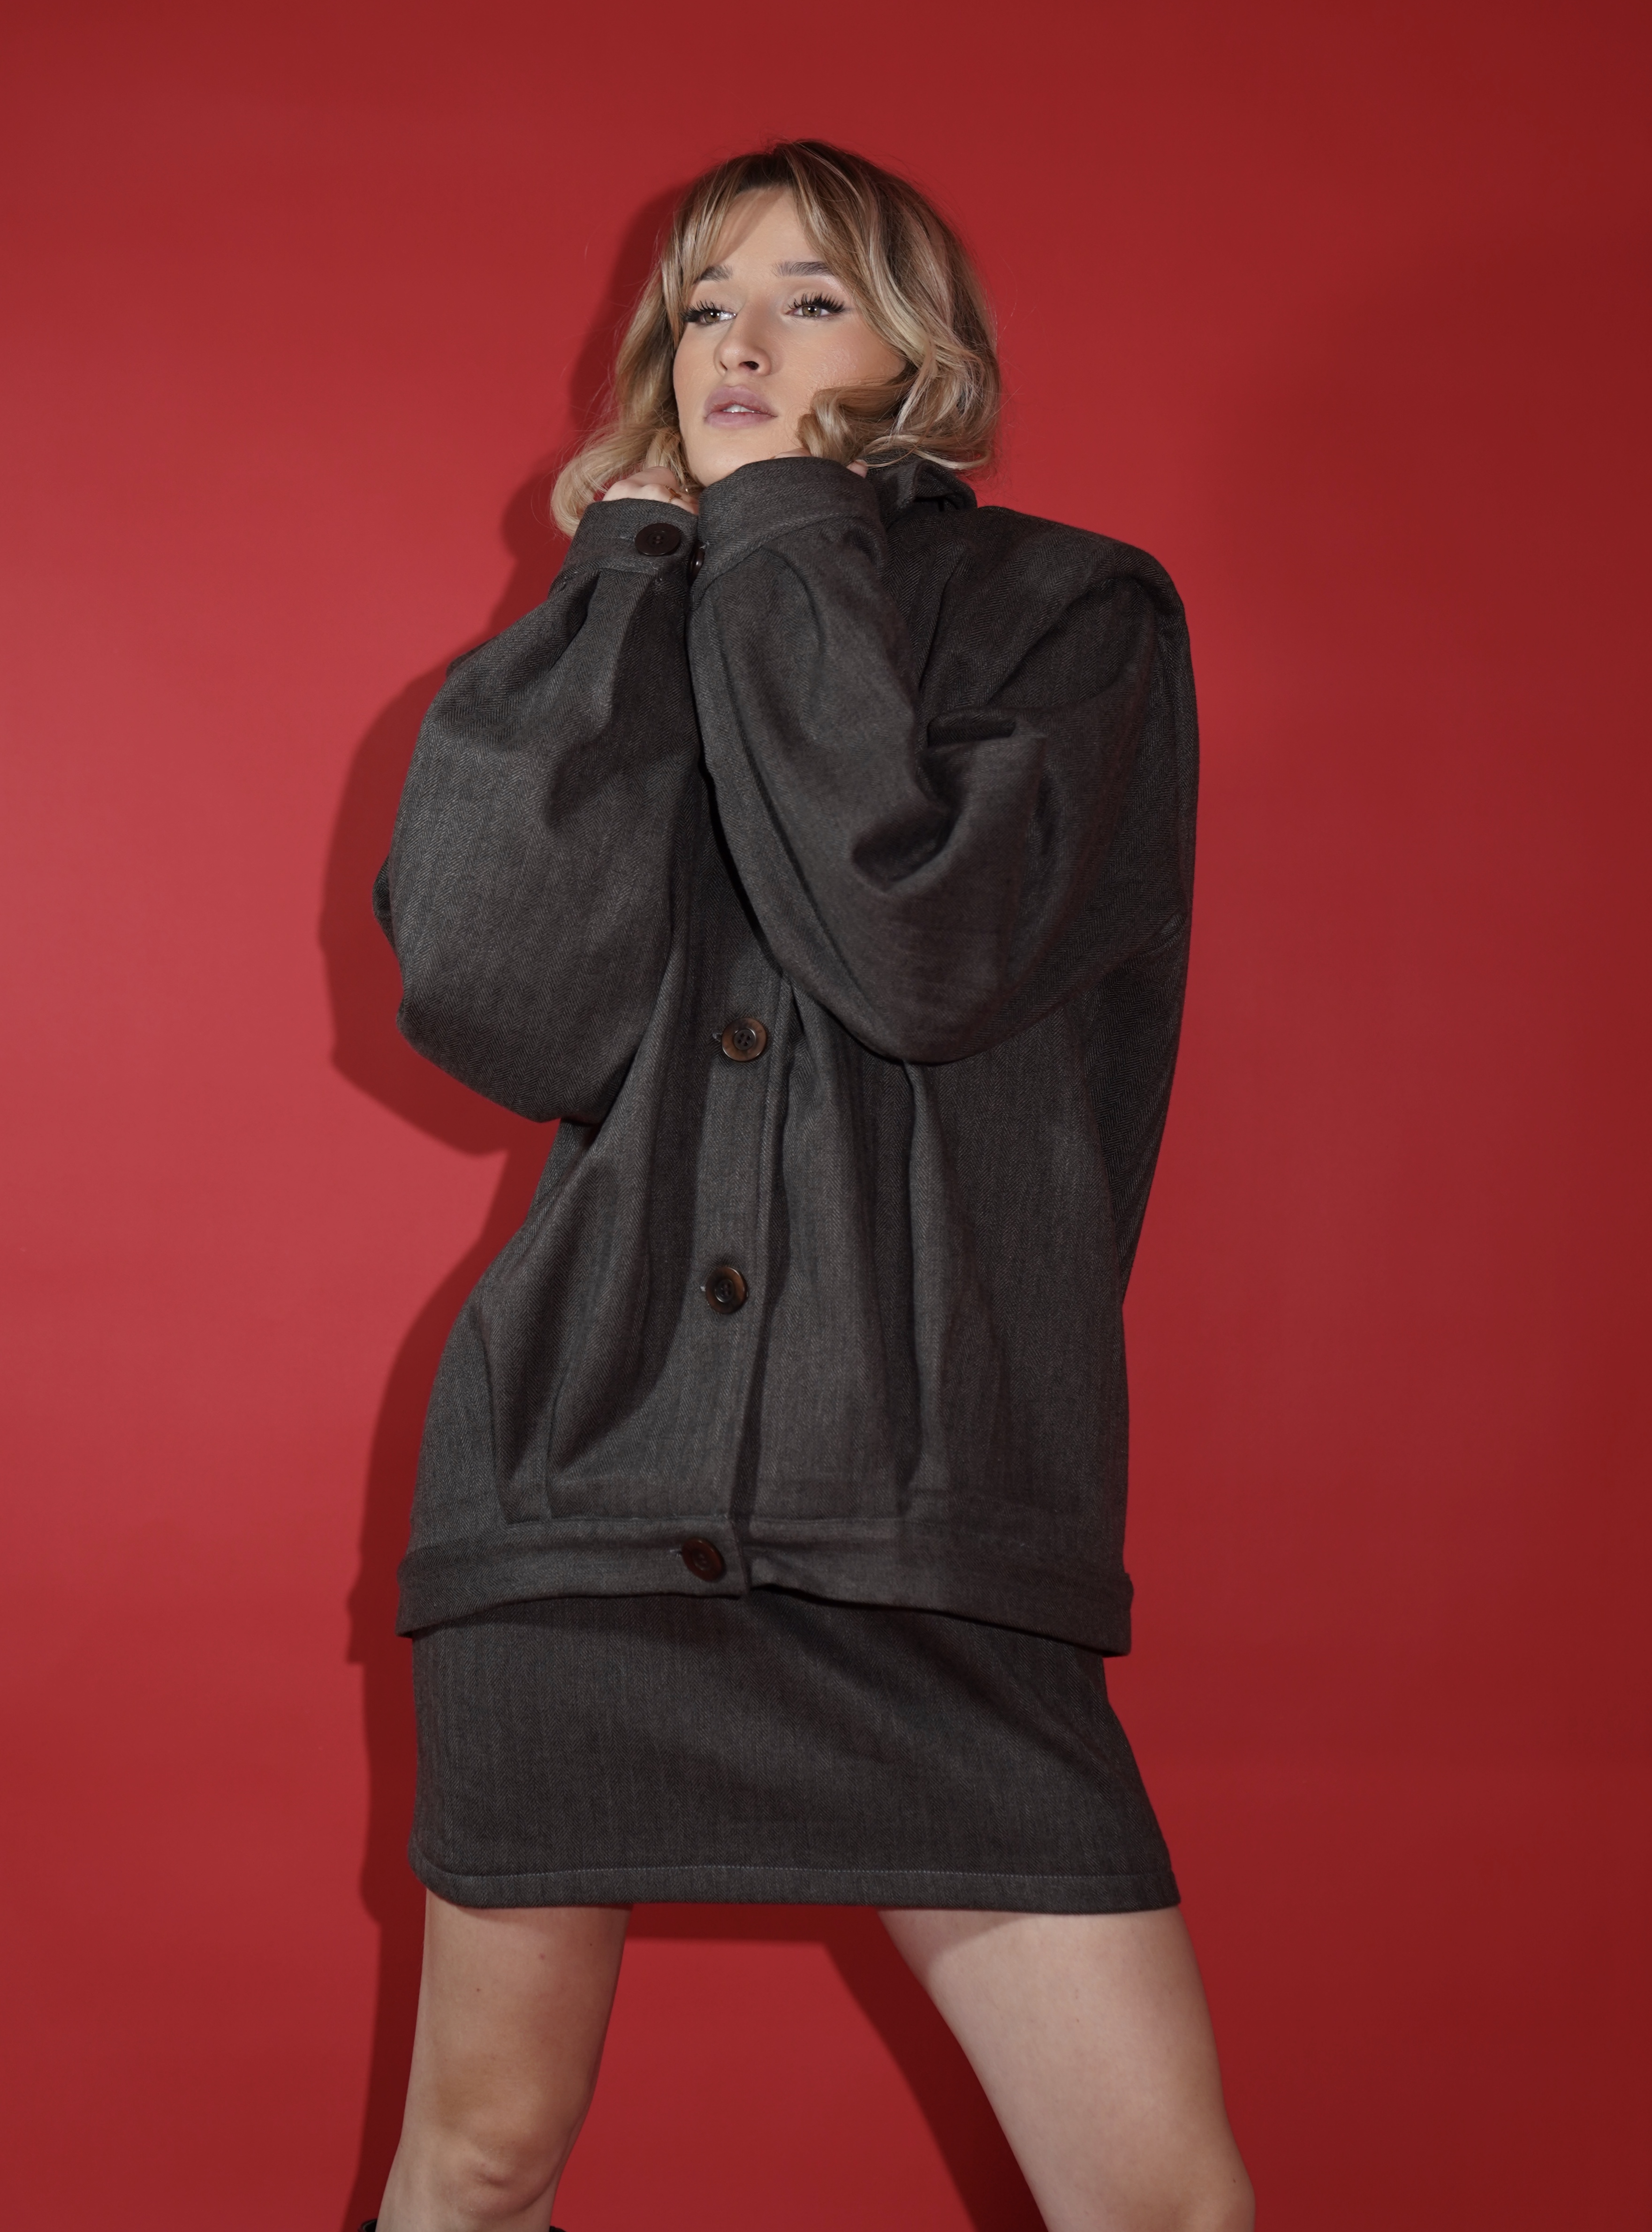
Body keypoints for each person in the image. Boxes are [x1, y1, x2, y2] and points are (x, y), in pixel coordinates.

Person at [365, 140, 1252, 2232]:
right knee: (478, 2161)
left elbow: (914, 952)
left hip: (917, 1497)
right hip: (578, 1489)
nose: (739, 345)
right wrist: (622, 575)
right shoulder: (622, 617)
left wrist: (775, 533)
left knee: (1154, 2202)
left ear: (920, 354)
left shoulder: (1071, 620)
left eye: (808, 298)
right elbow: (496, 998)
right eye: (703, 306)